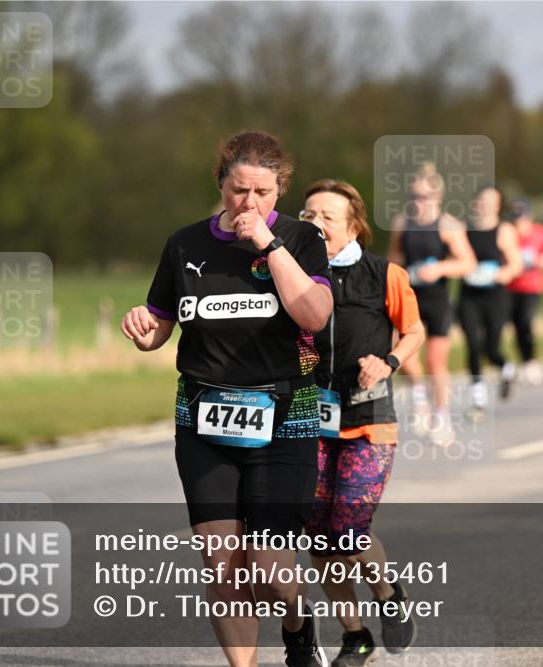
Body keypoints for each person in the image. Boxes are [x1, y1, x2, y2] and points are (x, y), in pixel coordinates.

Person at [121, 131, 333, 667]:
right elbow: (161, 328)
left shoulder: (302, 239)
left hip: (287, 411)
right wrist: (143, 328)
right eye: (239, 190)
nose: (249, 203)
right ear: (221, 185)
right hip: (203, 414)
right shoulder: (185, 244)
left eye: (263, 191)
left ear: (280, 190)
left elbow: (314, 315)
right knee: (221, 561)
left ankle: (297, 623)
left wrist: (269, 245)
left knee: (268, 565)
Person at [301, 179, 425, 666]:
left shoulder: (385, 275)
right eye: (308, 214)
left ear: (353, 226)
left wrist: (389, 362)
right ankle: (355, 636)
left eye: (327, 216)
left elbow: (414, 330)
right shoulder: (291, 275)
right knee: (318, 536)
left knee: (349, 527)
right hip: (309, 419)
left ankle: (389, 593)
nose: (316, 223)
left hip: (368, 418)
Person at [388, 163, 476, 447]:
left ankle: (442, 417)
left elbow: (467, 263)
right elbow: (394, 258)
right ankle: (418, 397)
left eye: (423, 197)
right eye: (412, 196)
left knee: (435, 362)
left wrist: (439, 268)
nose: (417, 202)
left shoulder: (449, 225)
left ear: (437, 197)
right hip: (410, 297)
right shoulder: (403, 223)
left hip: (437, 299)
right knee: (403, 356)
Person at [457, 186, 523, 415]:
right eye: (482, 200)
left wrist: (500, 274)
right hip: (469, 294)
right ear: (475, 203)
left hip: (494, 294)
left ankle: (506, 368)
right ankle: (478, 398)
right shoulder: (463, 229)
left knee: (491, 348)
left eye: (491, 201)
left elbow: (516, 264)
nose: (485, 205)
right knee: (473, 344)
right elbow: (454, 258)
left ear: (498, 206)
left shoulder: (503, 230)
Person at [505, 199, 543, 386]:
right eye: (515, 220)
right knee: (516, 326)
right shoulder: (508, 235)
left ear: (529, 218)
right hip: (510, 286)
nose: (519, 224)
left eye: (522, 219)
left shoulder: (539, 233)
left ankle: (531, 362)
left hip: (532, 286)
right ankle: (523, 362)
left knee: (526, 321)